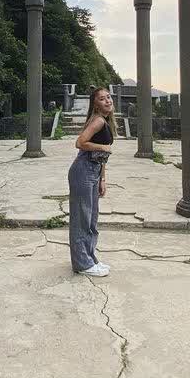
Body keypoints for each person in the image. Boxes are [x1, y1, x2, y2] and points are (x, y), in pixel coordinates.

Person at [68, 86, 116, 277]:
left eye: (109, 97)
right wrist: (102, 146)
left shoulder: (105, 122)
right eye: (102, 99)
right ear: (95, 104)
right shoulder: (97, 121)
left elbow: (102, 156)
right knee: (82, 219)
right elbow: (80, 143)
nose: (108, 101)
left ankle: (89, 258)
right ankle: (82, 264)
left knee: (91, 219)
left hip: (93, 171)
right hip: (83, 171)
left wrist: (103, 178)